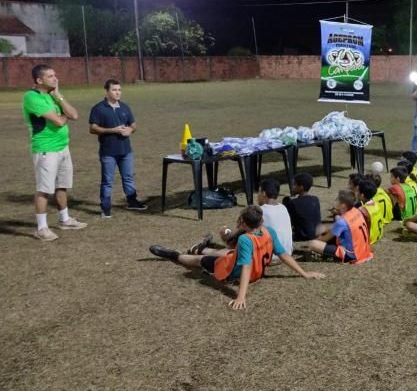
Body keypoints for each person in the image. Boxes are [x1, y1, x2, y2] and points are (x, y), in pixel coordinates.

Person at [148, 205, 324, 310]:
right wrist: (304, 273)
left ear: (244, 224)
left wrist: (241, 296)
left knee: (198, 261)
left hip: (231, 270)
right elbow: (284, 255)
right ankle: (200, 248)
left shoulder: (245, 239)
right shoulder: (269, 231)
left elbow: (246, 268)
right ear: (261, 221)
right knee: (226, 253)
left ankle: (173, 255)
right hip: (252, 266)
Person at [23, 64, 87, 240]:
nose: (55, 79)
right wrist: (66, 115)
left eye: (55, 75)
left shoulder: (52, 96)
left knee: (61, 186)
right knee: (44, 189)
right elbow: (59, 121)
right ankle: (41, 228)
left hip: (63, 147)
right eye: (50, 76)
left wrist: (58, 96)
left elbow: (75, 115)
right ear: (39, 80)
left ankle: (64, 220)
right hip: (46, 149)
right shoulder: (31, 97)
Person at [88, 79, 147, 218]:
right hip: (108, 152)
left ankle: (132, 202)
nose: (117, 92)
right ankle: (105, 208)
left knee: (128, 177)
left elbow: (133, 125)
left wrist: (130, 130)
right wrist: (113, 130)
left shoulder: (125, 107)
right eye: (114, 90)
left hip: (126, 151)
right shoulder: (98, 108)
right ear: (107, 91)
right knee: (107, 181)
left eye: (119, 90)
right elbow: (93, 128)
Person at [307, 190, 374, 263]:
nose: (335, 201)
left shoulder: (342, 222)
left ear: (343, 206)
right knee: (337, 221)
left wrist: (315, 239)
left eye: (337, 200)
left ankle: (332, 256)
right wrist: (326, 227)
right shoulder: (356, 211)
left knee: (312, 244)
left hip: (352, 255)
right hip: (364, 250)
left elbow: (324, 239)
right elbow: (345, 225)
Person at [257, 179, 293, 263]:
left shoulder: (261, 210)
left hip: (270, 256)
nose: (257, 195)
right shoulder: (283, 207)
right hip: (287, 253)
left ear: (264, 193)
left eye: (259, 192)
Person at [282, 173, 321, 241]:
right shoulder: (315, 199)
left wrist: (287, 202)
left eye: (294, 184)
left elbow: (289, 220)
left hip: (303, 235)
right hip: (317, 233)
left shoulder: (294, 203)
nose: (292, 187)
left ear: (301, 187)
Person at [357, 178, 388, 244]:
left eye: (358, 191)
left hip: (369, 240)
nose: (356, 193)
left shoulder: (362, 211)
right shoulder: (376, 204)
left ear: (362, 195)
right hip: (377, 236)